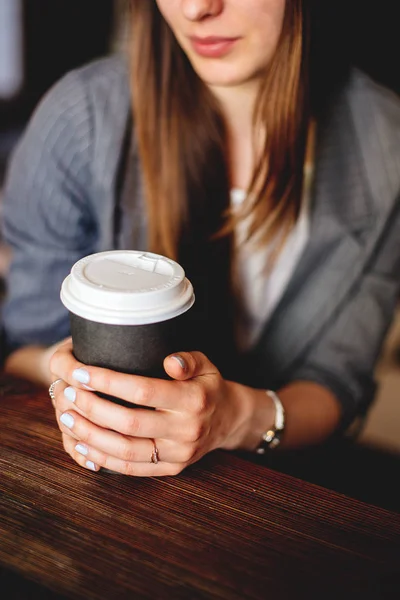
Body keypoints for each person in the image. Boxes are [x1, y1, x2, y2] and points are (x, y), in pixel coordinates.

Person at [1, 0, 399, 477]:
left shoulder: (385, 145)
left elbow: (336, 383)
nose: (195, 9)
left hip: (281, 493)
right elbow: (22, 347)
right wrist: (72, 376)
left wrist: (237, 418)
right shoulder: (80, 117)